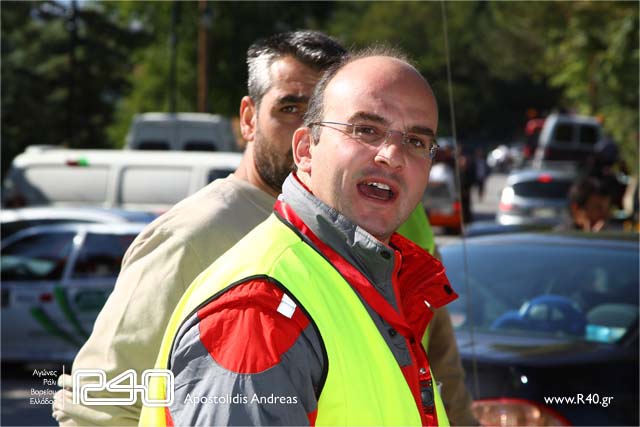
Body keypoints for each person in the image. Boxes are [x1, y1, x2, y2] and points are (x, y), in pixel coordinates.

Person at [54, 32, 475, 426]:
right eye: (364, 129)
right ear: (255, 121)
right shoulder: (208, 251)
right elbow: (99, 406)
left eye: (416, 141)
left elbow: (429, 373)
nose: (391, 155)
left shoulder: (375, 241)